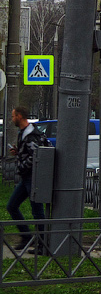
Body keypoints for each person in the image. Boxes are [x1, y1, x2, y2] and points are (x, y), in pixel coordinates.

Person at [6, 107, 47, 252]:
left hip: (33, 176)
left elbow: (36, 154)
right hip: (26, 178)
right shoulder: (23, 133)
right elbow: (29, 152)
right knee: (12, 206)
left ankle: (42, 244)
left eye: (13, 116)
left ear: (19, 116)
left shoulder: (31, 135)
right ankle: (27, 237)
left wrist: (23, 165)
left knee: (37, 211)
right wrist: (18, 152)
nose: (12, 119)